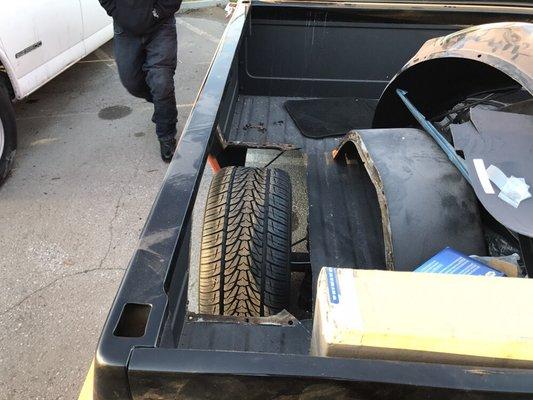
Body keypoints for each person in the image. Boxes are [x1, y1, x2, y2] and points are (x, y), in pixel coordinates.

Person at [98, 0, 182, 162]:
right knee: (132, 82)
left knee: (161, 82)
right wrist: (118, 13)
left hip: (161, 26)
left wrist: (157, 12)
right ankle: (162, 105)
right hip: (125, 28)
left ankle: (166, 135)